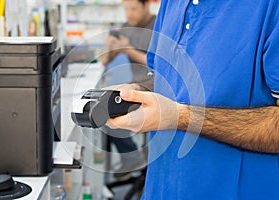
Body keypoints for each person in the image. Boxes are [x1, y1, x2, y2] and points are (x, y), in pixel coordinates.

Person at [106, 0, 279, 199]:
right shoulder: (171, 4)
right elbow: (163, 77)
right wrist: (135, 92)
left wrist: (181, 117)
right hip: (161, 189)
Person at [98, 0, 156, 180]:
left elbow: (158, 63)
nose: (129, 14)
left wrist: (129, 50)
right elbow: (105, 61)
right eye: (126, 9)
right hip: (136, 86)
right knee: (102, 109)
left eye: (134, 9)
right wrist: (110, 45)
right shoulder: (126, 27)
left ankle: (134, 158)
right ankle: (133, 155)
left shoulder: (157, 26)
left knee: (112, 110)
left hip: (157, 87)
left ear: (146, 6)